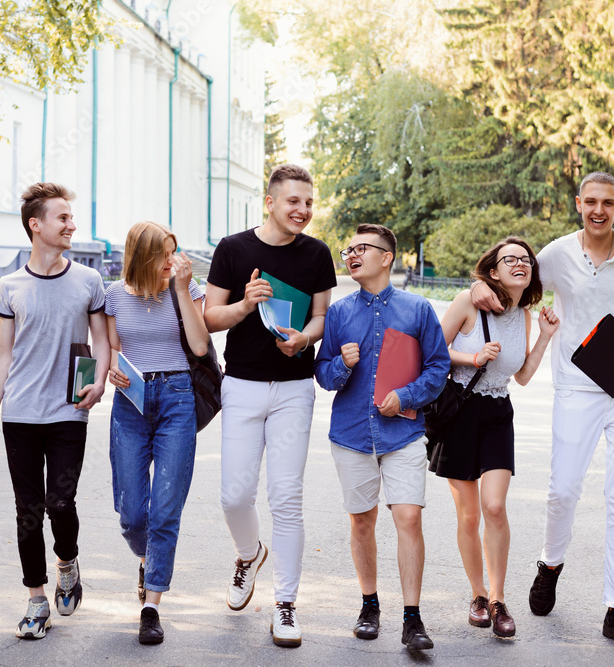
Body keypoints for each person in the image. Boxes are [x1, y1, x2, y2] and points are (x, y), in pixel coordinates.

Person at [471, 172, 614, 652]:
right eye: (591, 202)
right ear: (578, 204)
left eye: (608, 202)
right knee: (563, 490)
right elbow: (513, 278)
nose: (599, 210)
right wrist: (478, 285)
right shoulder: (557, 253)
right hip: (577, 389)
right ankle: (550, 563)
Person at [203, 163, 337, 648]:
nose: (302, 210)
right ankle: (247, 554)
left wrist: (304, 338)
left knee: (286, 498)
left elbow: (322, 316)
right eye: (293, 201)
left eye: (308, 202)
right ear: (270, 202)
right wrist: (244, 304)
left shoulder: (317, 254)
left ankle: (285, 605)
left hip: (296, 388)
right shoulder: (233, 249)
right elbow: (209, 318)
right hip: (241, 384)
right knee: (234, 496)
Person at [0, 182, 110, 639]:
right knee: (28, 510)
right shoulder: (9, 286)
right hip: (20, 413)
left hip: (68, 410)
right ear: (36, 225)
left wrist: (97, 381)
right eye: (63, 218)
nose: (71, 225)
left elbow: (101, 339)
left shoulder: (89, 281)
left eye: (71, 218)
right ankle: (36, 601)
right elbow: (2, 352)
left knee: (60, 502)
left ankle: (68, 562)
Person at [314, 224, 451, 652]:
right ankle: (369, 604)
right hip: (351, 435)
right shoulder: (338, 313)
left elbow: (438, 366)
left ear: (387, 257)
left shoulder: (417, 309)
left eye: (361, 249)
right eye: (348, 249)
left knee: (408, 517)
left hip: (403, 432)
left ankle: (412, 618)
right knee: (362, 521)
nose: (352, 255)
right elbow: (322, 373)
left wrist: (405, 396)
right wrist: (342, 364)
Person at [433, 236, 558, 638]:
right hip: (459, 413)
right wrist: (472, 357)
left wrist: (543, 337)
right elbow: (431, 347)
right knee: (469, 515)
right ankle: (478, 594)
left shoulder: (524, 314)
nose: (520, 263)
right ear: (493, 269)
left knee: (495, 507)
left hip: (498, 412)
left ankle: (499, 599)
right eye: (510, 259)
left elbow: (520, 376)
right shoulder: (468, 302)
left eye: (526, 259)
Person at [104, 222, 208, 645]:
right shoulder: (113, 296)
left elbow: (200, 347)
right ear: (141, 257)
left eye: (174, 251)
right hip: (131, 401)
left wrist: (182, 290)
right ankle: (148, 559)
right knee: (132, 513)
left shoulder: (187, 288)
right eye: (164, 254)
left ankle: (151, 606)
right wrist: (111, 367)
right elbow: (111, 349)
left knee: (165, 511)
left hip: (178, 397)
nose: (172, 260)